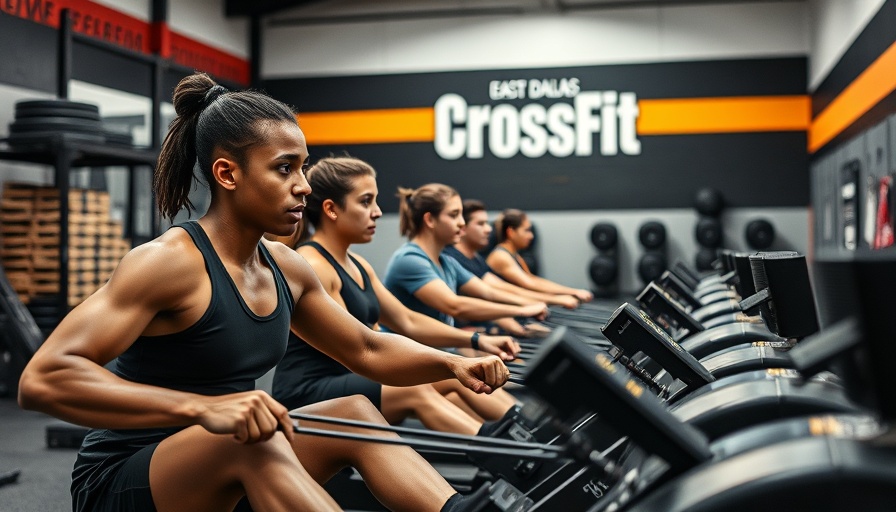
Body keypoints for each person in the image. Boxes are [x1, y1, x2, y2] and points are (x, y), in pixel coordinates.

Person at [17, 73, 509, 512]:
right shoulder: (169, 262)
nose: (303, 188)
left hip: (233, 448)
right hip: (125, 480)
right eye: (284, 169)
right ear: (228, 174)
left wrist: (452, 362)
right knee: (253, 444)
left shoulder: (286, 268)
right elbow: (44, 379)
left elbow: (367, 347)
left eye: (303, 168)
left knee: (354, 413)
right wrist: (202, 409)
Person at [271, 156, 521, 435]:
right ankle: (513, 457)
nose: (377, 212)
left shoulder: (358, 265)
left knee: (449, 378)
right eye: (366, 202)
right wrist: (451, 361)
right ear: (331, 209)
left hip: (350, 377)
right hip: (311, 389)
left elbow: (407, 320)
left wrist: (476, 340)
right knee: (418, 389)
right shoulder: (315, 265)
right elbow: (360, 349)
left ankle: (528, 431)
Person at [382, 184, 550, 340]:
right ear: (430, 220)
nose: (462, 223)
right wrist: (522, 310)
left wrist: (532, 303)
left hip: (440, 355)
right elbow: (455, 306)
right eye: (454, 215)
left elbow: (488, 293)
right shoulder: (410, 260)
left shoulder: (447, 262)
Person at [445, 199, 580, 310]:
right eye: (481, 224)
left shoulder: (477, 259)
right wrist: (558, 298)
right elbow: (495, 292)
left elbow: (503, 287)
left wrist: (561, 296)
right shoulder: (453, 259)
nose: (488, 229)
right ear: (462, 227)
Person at [486, 208, 594, 303]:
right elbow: (530, 284)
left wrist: (572, 292)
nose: (531, 236)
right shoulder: (501, 256)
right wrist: (568, 294)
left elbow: (533, 279)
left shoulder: (513, 255)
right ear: (511, 232)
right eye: (527, 230)